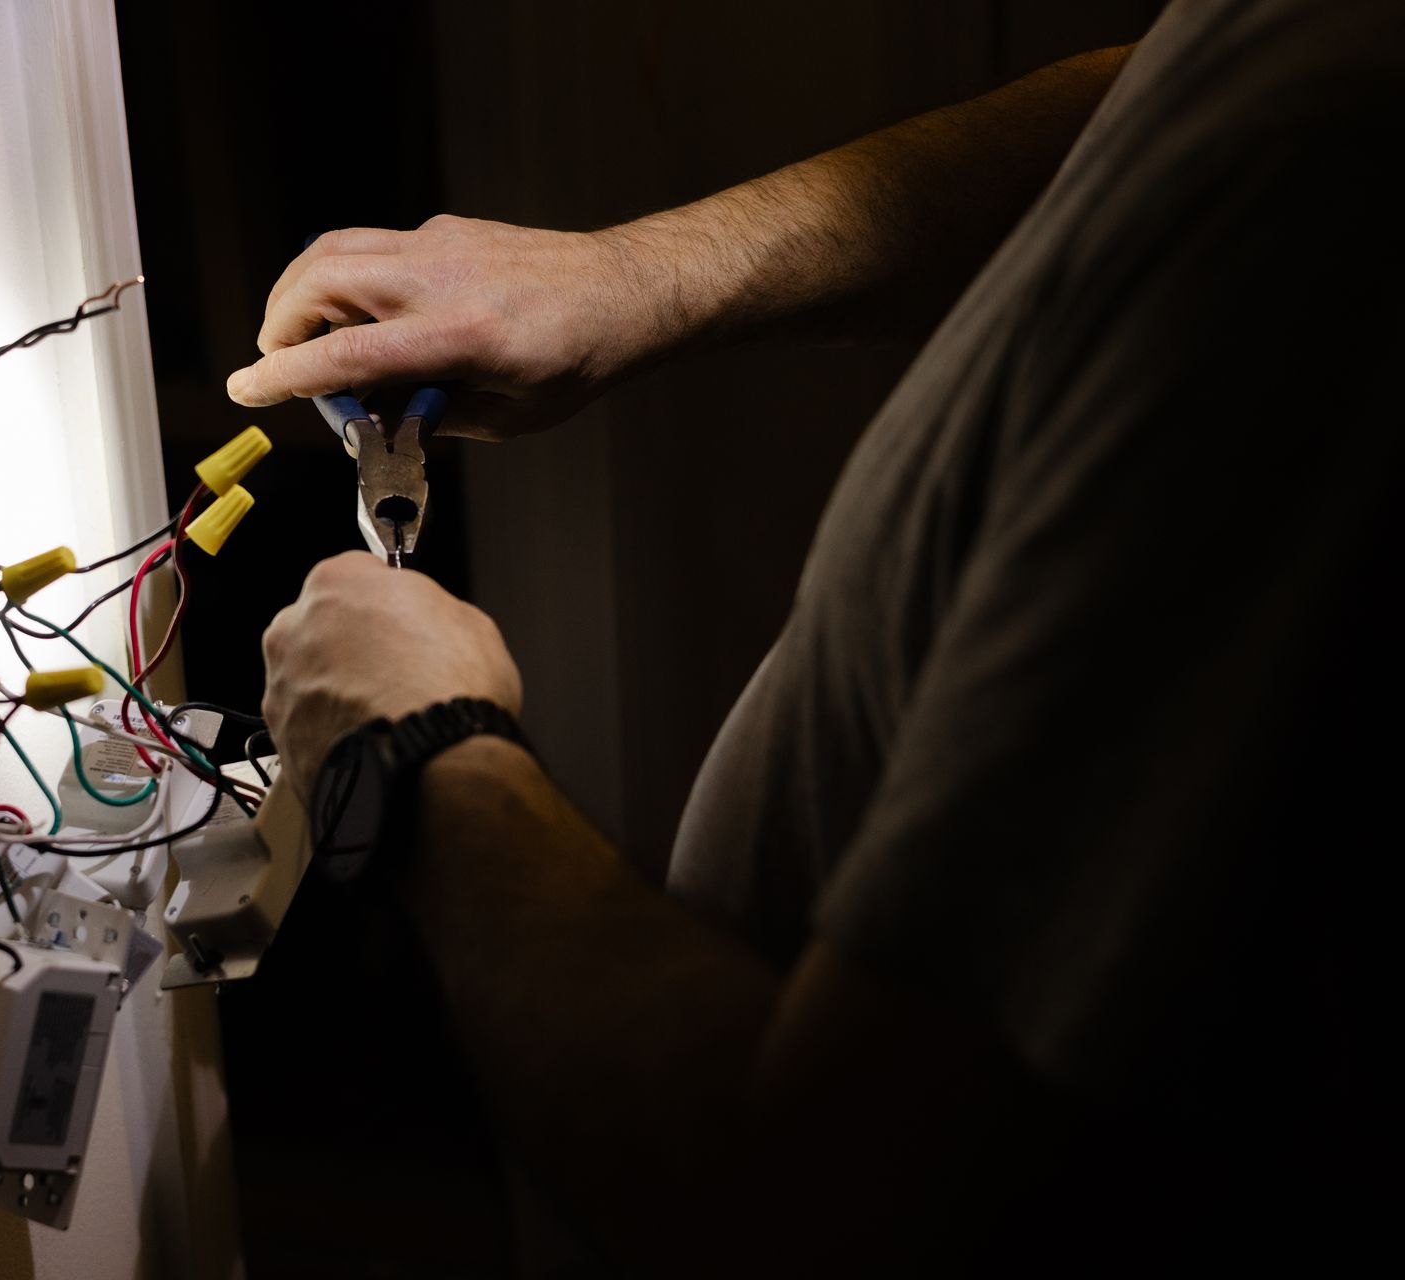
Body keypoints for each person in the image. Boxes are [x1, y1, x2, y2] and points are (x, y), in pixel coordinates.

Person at [232, 1, 1399, 1271]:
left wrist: (419, 752)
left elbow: (825, 1201)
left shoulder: (1334, 208)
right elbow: (1172, 81)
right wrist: (637, 273)